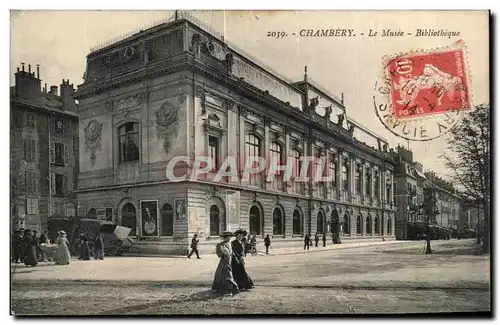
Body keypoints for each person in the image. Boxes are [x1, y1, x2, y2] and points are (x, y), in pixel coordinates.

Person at [211, 231, 239, 297]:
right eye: (229, 237)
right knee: (226, 275)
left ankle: (221, 288)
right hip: (224, 262)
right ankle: (227, 291)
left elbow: (231, 252)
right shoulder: (222, 244)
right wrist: (226, 255)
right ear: (225, 237)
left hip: (229, 261)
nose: (229, 238)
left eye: (230, 237)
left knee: (224, 274)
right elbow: (224, 253)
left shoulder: (229, 243)